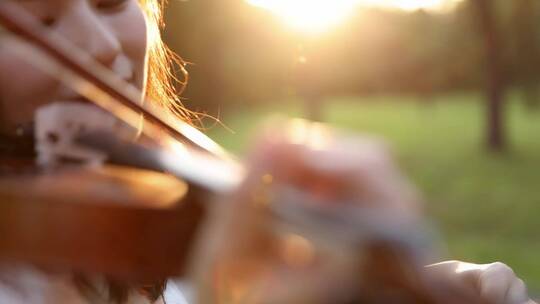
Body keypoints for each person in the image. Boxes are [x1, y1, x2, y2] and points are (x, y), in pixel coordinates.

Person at [0, 0, 534, 303]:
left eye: (112, 2)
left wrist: (409, 288)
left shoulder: (162, 217)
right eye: (42, 18)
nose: (101, 44)